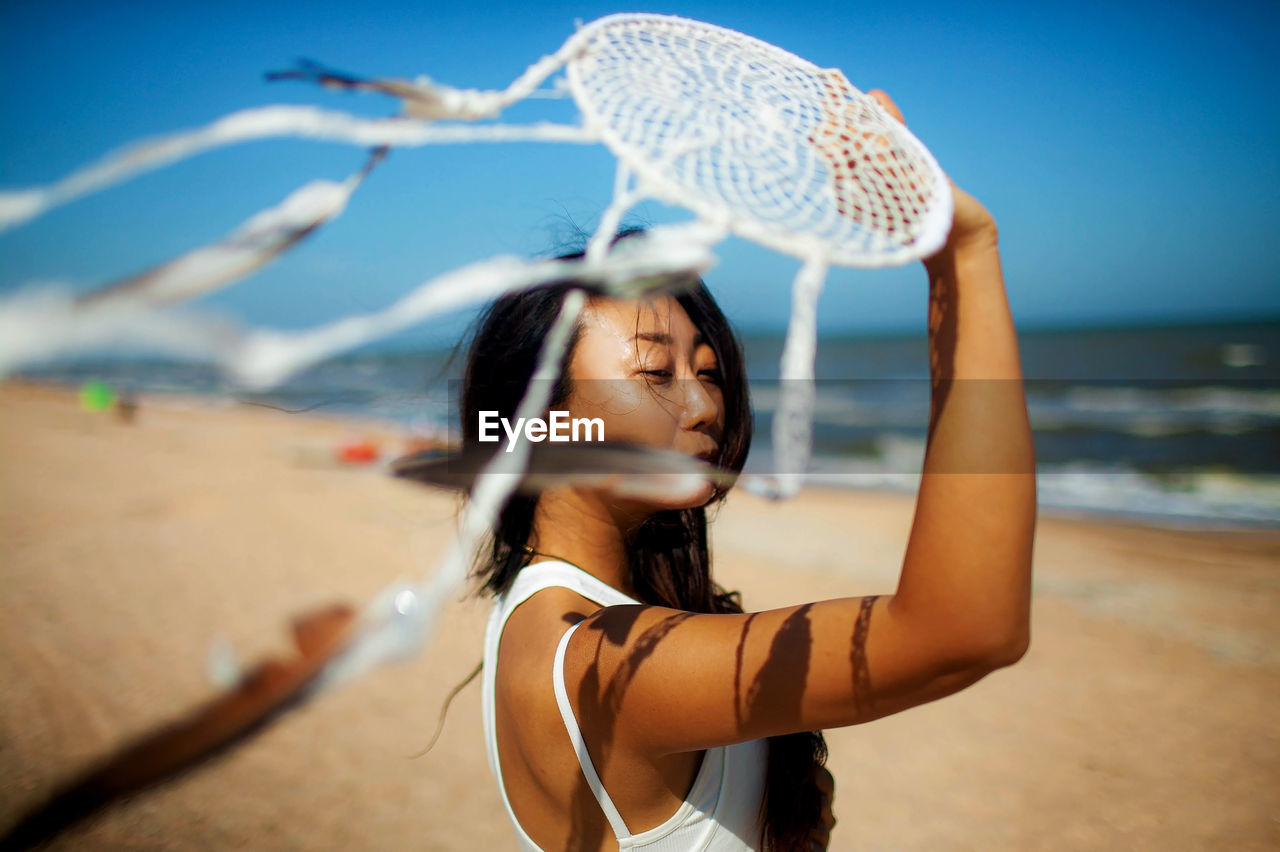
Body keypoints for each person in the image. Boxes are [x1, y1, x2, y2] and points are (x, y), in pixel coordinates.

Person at [459, 91, 1035, 851]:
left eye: (709, 372)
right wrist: (959, 256)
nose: (703, 406)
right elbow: (964, 628)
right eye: (655, 374)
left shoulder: (552, 622)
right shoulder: (597, 656)